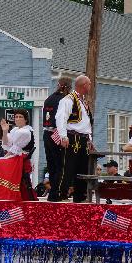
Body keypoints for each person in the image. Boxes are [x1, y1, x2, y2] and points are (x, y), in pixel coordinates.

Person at [52, 75, 93, 203]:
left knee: (83, 168)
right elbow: (61, 118)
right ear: (84, 85)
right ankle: (61, 194)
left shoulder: (83, 101)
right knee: (67, 167)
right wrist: (63, 136)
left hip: (83, 138)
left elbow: (86, 123)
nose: (91, 87)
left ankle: (80, 196)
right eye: (89, 84)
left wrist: (89, 139)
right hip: (72, 136)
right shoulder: (68, 99)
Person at [42, 77, 71, 202]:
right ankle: (56, 193)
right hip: (57, 133)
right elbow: (63, 119)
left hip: (46, 133)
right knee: (61, 165)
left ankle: (52, 193)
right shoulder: (64, 100)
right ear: (69, 87)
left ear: (58, 85)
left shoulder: (49, 98)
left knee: (51, 164)